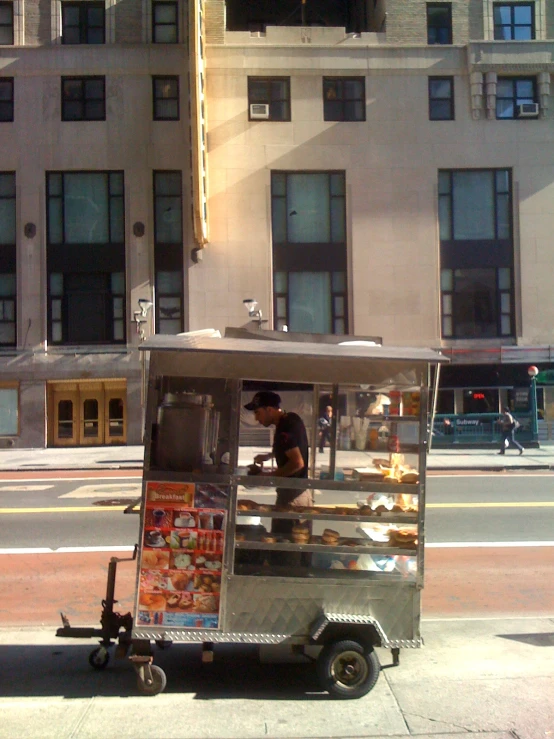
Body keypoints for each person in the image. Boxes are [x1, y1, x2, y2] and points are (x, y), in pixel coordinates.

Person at [244, 390, 312, 534]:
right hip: (300, 493)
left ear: (269, 410)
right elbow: (291, 447)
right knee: (296, 544)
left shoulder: (284, 430)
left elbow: (297, 463)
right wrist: (269, 456)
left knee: (285, 543)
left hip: (293, 497)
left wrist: (269, 476)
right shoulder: (291, 419)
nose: (257, 418)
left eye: (258, 413)